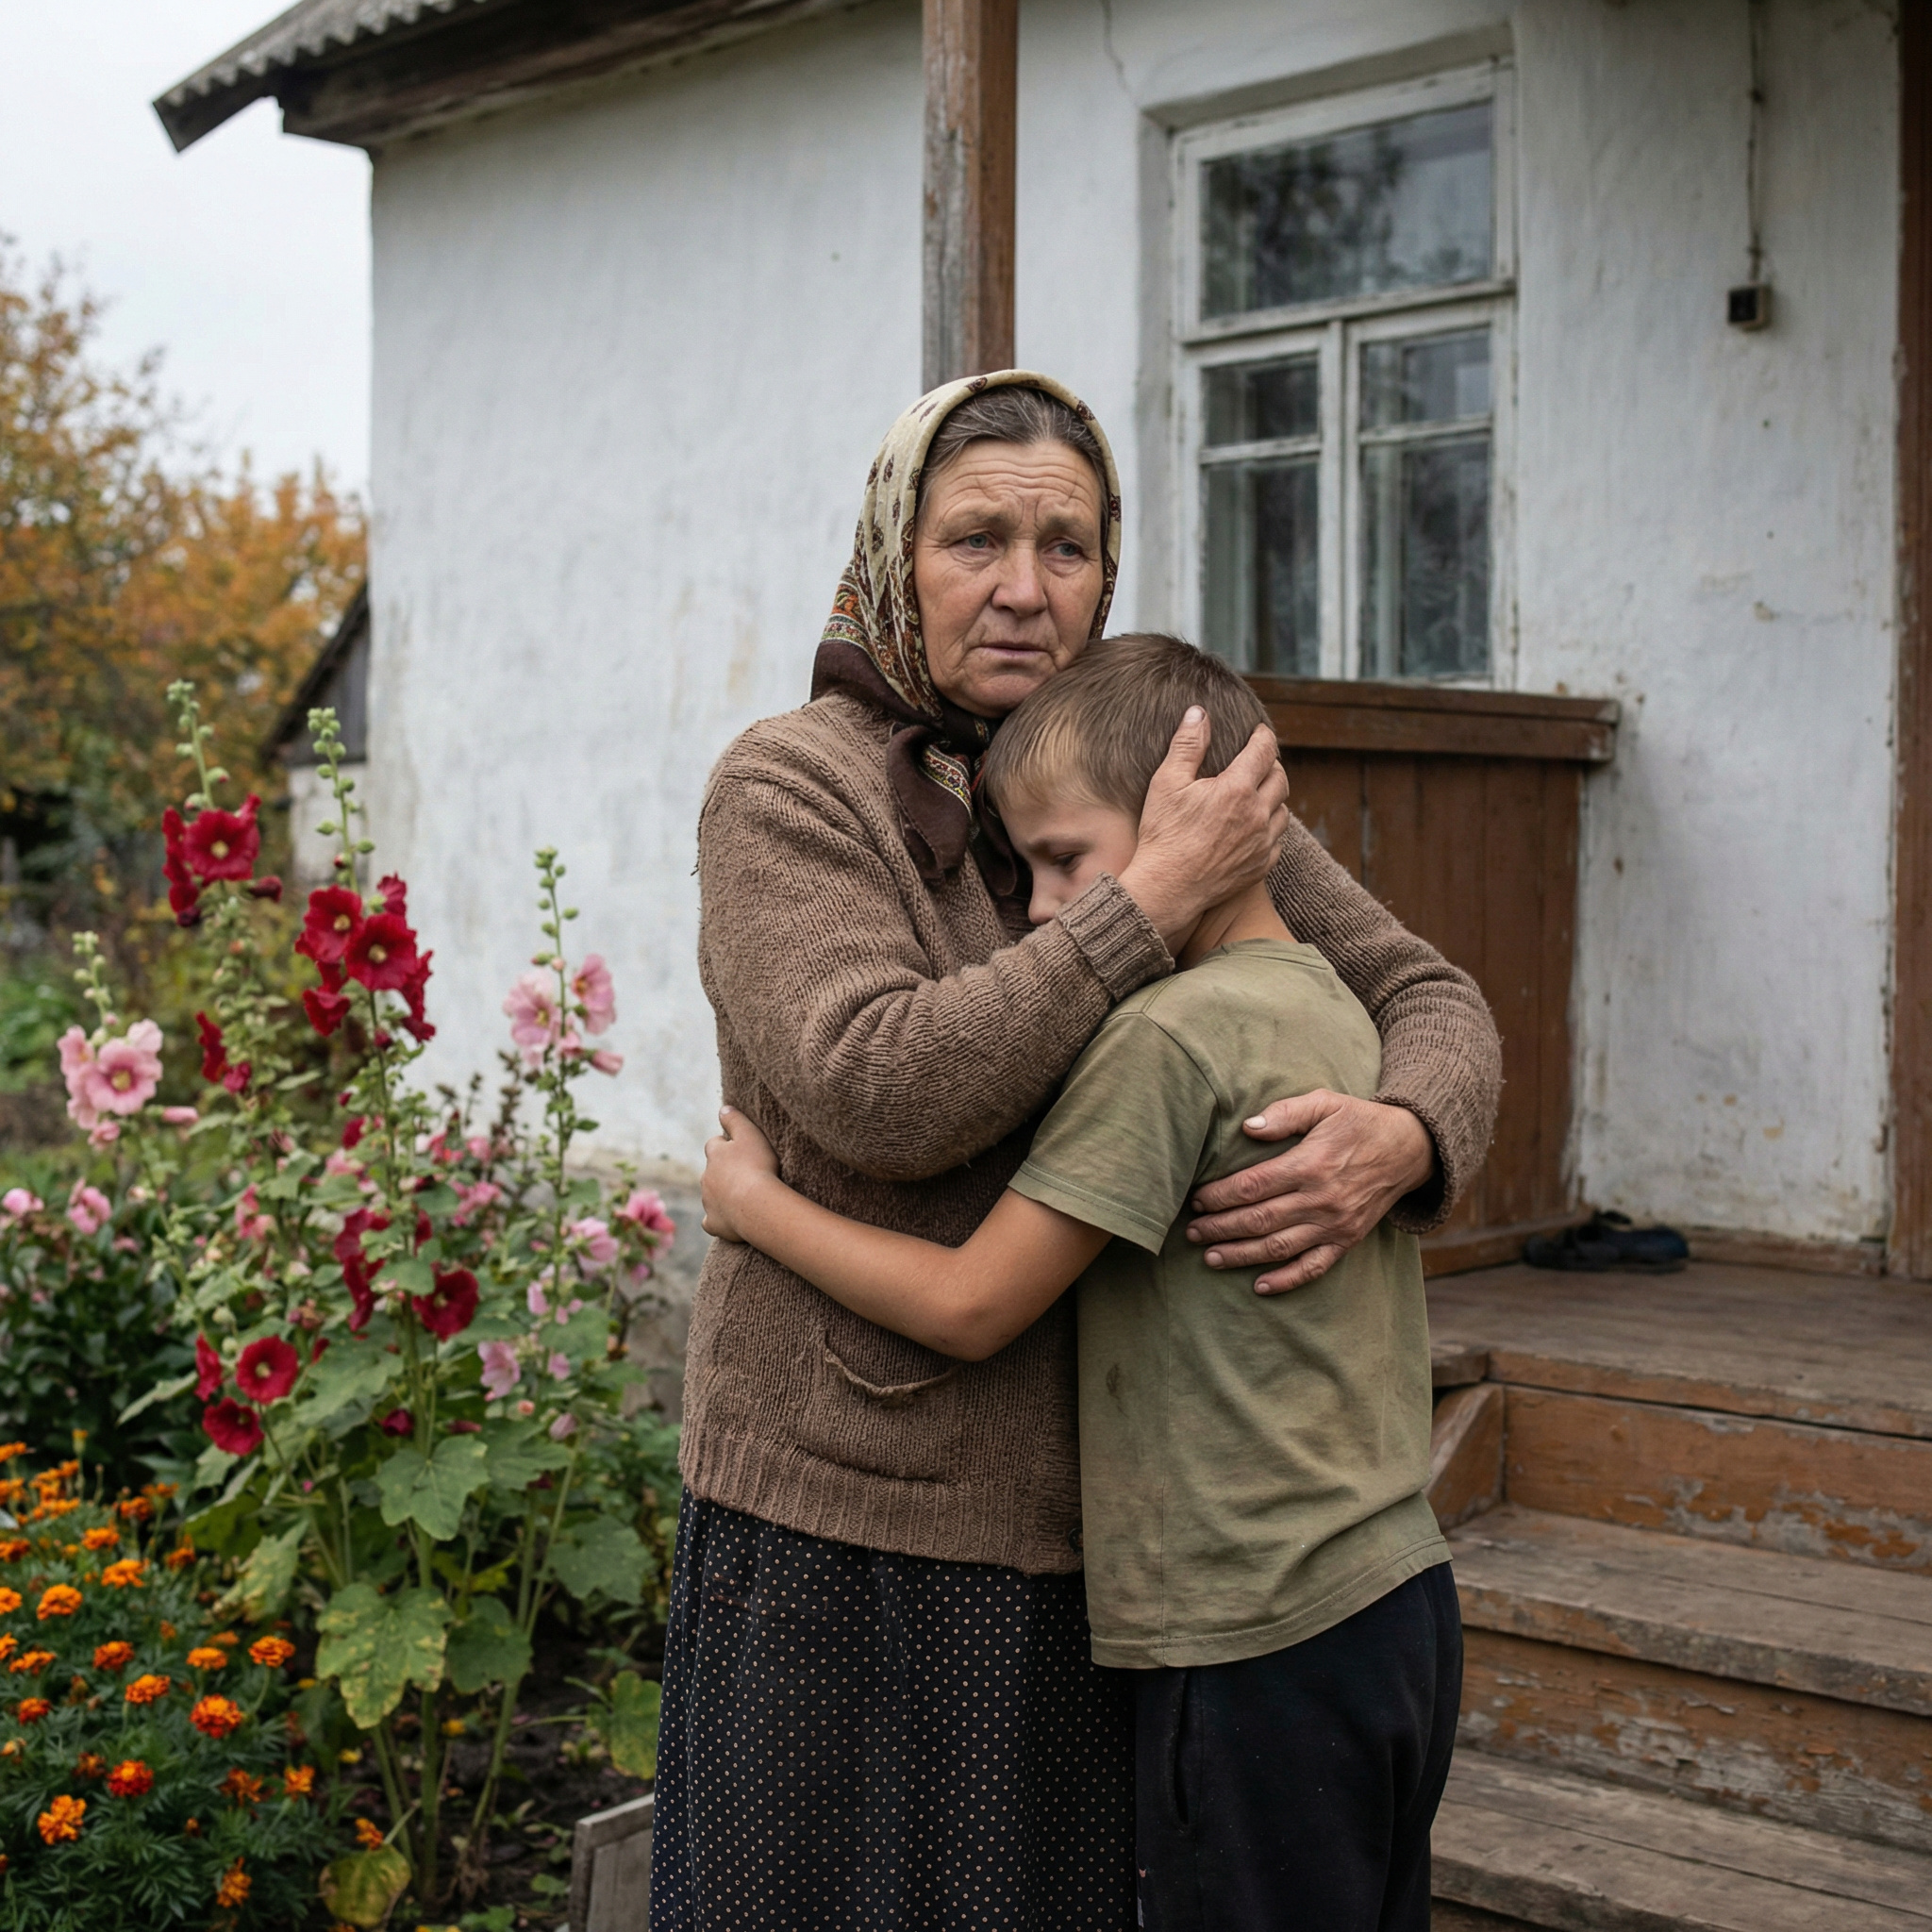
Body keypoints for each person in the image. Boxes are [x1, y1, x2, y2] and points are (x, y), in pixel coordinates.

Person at [651, 370, 1498, 1929]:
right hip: (849, 1511)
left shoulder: (1142, 766)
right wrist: (1144, 901)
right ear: (896, 553)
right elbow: (875, 1086)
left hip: (1114, 1537)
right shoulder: (789, 787)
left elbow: (1424, 992)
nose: (1026, 589)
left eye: (1069, 545)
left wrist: (1405, 1130)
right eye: (976, 539)